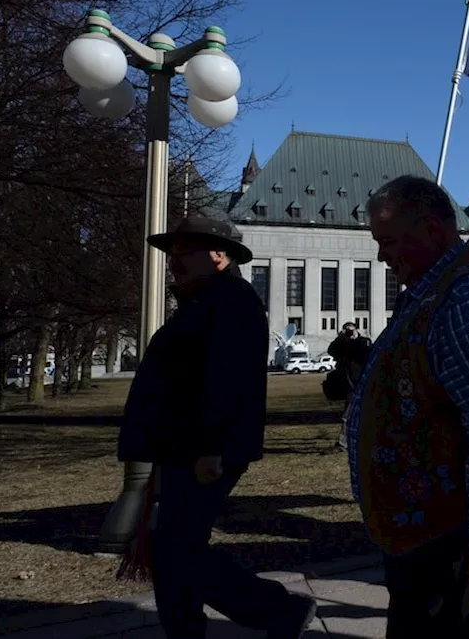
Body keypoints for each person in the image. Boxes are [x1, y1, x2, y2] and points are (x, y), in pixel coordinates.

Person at [345, 176, 469, 635]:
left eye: (389, 241)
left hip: (444, 530)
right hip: (422, 528)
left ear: (433, 230)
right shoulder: (430, 291)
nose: (381, 256)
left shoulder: (468, 293)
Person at [118, 216, 316, 639]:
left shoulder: (232, 303)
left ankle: (279, 610)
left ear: (219, 255)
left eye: (183, 252)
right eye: (172, 253)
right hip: (181, 446)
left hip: (204, 450)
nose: (174, 262)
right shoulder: (205, 301)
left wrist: (213, 449)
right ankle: (189, 629)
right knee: (171, 549)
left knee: (177, 551)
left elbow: (227, 381)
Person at [328, 323, 371, 451]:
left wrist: (353, 339)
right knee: (348, 415)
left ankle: (348, 442)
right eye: (346, 330)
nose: (348, 332)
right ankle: (344, 443)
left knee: (360, 414)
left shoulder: (364, 342)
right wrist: (340, 339)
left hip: (363, 382)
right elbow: (331, 351)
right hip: (349, 383)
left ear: (356, 329)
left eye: (350, 330)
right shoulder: (343, 344)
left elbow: (364, 352)